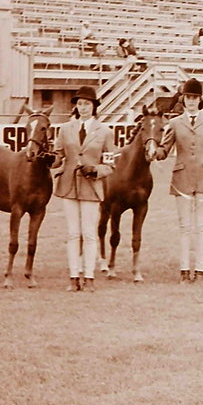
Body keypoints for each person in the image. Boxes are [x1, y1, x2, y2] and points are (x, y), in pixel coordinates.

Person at [154, 78, 203, 283]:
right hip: (182, 177)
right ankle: (184, 270)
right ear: (183, 99)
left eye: (194, 97)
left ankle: (199, 270)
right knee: (184, 226)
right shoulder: (175, 123)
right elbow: (165, 149)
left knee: (202, 226)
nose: (191, 101)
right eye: (188, 97)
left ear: (200, 99)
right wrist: (154, 151)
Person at [50, 85, 116, 292]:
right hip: (69, 186)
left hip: (91, 187)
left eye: (87, 104)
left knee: (89, 234)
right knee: (72, 234)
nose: (83, 108)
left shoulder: (105, 132)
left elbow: (110, 165)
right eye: (80, 104)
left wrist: (95, 169)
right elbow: (58, 156)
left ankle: (89, 276)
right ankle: (73, 276)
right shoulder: (65, 129)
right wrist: (49, 159)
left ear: (94, 106)